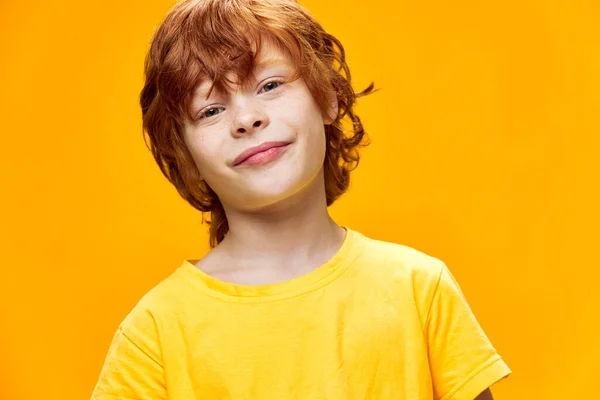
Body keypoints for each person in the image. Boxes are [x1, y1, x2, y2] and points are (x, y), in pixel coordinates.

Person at [90, 0, 511, 398]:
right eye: (211, 110)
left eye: (270, 84)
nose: (246, 119)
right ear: (186, 154)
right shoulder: (153, 334)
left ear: (327, 96)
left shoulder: (420, 290)